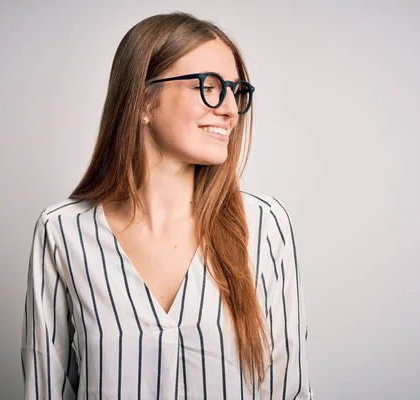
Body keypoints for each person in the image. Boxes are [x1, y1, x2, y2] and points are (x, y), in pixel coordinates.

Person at [21, 11, 312, 399]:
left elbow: (289, 391)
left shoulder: (264, 225)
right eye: (209, 86)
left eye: (236, 91)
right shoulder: (62, 232)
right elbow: (45, 389)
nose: (228, 109)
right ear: (143, 100)